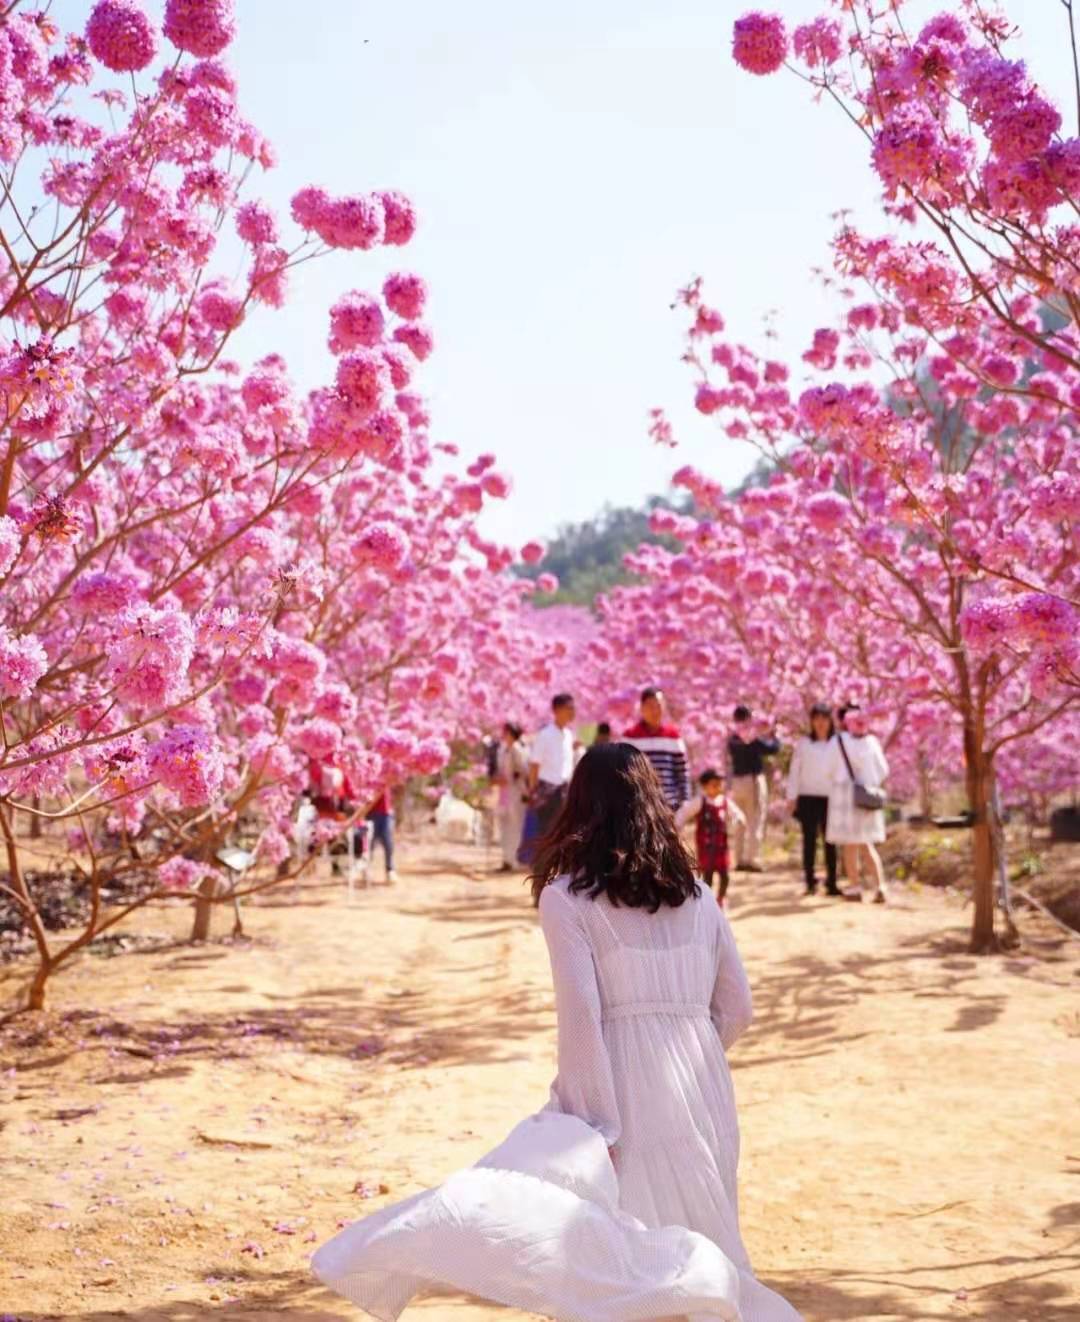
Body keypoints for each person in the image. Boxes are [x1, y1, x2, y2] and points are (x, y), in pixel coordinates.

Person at [312, 743, 802, 1322]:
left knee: (622, 1268)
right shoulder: (699, 896)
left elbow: (582, 1022)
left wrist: (597, 1123)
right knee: (704, 1247)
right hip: (703, 1086)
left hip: (621, 1092)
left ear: (580, 806)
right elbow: (738, 1008)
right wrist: (687, 1053)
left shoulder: (566, 899)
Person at [826, 704, 890, 903]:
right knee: (866, 843)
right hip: (866, 796)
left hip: (845, 797)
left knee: (850, 844)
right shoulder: (872, 742)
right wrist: (868, 782)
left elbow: (829, 769)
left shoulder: (837, 741)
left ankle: (855, 887)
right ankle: (880, 886)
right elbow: (883, 771)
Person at [787, 703, 842, 897]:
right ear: (811, 721)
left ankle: (832, 883)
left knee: (831, 842)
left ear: (830, 721)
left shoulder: (837, 743)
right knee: (809, 841)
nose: (820, 723)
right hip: (807, 797)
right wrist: (791, 797)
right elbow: (795, 770)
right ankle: (810, 882)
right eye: (816, 718)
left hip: (831, 798)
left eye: (824, 718)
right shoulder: (804, 743)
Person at [676, 767, 748, 904]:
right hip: (706, 848)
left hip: (722, 847)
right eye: (713, 785)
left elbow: (736, 814)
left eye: (719, 785)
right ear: (705, 786)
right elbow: (684, 813)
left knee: (725, 875)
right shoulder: (700, 802)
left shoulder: (725, 802)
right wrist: (677, 825)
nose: (717, 788)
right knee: (707, 876)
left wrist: (739, 820)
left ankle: (721, 898)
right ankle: (708, 902)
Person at [727, 704, 780, 872]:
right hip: (753, 781)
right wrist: (773, 735)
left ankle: (740, 859)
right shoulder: (752, 737)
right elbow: (773, 749)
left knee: (740, 821)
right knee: (755, 819)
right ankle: (753, 859)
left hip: (737, 782)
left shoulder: (732, 738)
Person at [623, 686, 691, 811]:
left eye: (658, 705)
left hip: (669, 804)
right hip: (639, 804)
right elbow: (624, 771)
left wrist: (685, 801)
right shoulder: (630, 737)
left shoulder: (673, 736)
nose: (655, 711)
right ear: (642, 708)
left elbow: (682, 772)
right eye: (650, 706)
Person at [526, 692, 575, 837]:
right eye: (569, 708)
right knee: (545, 832)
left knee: (561, 833)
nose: (572, 712)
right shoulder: (545, 734)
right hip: (547, 790)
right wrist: (534, 791)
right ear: (557, 710)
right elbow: (535, 765)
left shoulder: (569, 735)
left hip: (564, 790)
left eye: (573, 708)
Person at [493, 723, 528, 873]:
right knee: (504, 825)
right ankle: (506, 858)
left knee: (515, 826)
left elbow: (524, 771)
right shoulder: (502, 750)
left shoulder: (519, 750)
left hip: (516, 792)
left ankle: (513, 859)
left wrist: (513, 778)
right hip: (504, 792)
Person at [366, 787, 397, 884]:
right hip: (371, 812)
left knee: (388, 843)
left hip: (385, 813)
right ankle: (367, 869)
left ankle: (390, 870)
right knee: (369, 844)